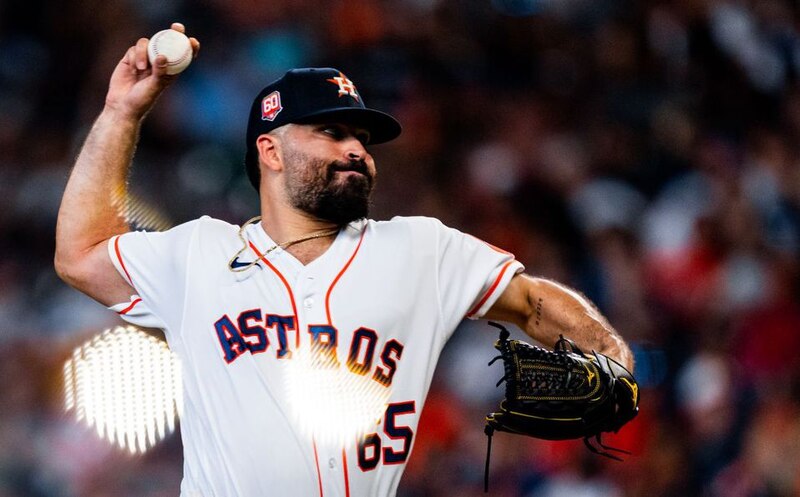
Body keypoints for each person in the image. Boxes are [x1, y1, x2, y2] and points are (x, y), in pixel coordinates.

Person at [55, 23, 634, 497]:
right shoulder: (199, 253)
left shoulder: (420, 249)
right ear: (270, 149)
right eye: (331, 132)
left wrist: (611, 354)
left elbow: (532, 300)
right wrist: (120, 114)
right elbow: (80, 254)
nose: (355, 148)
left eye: (361, 136)